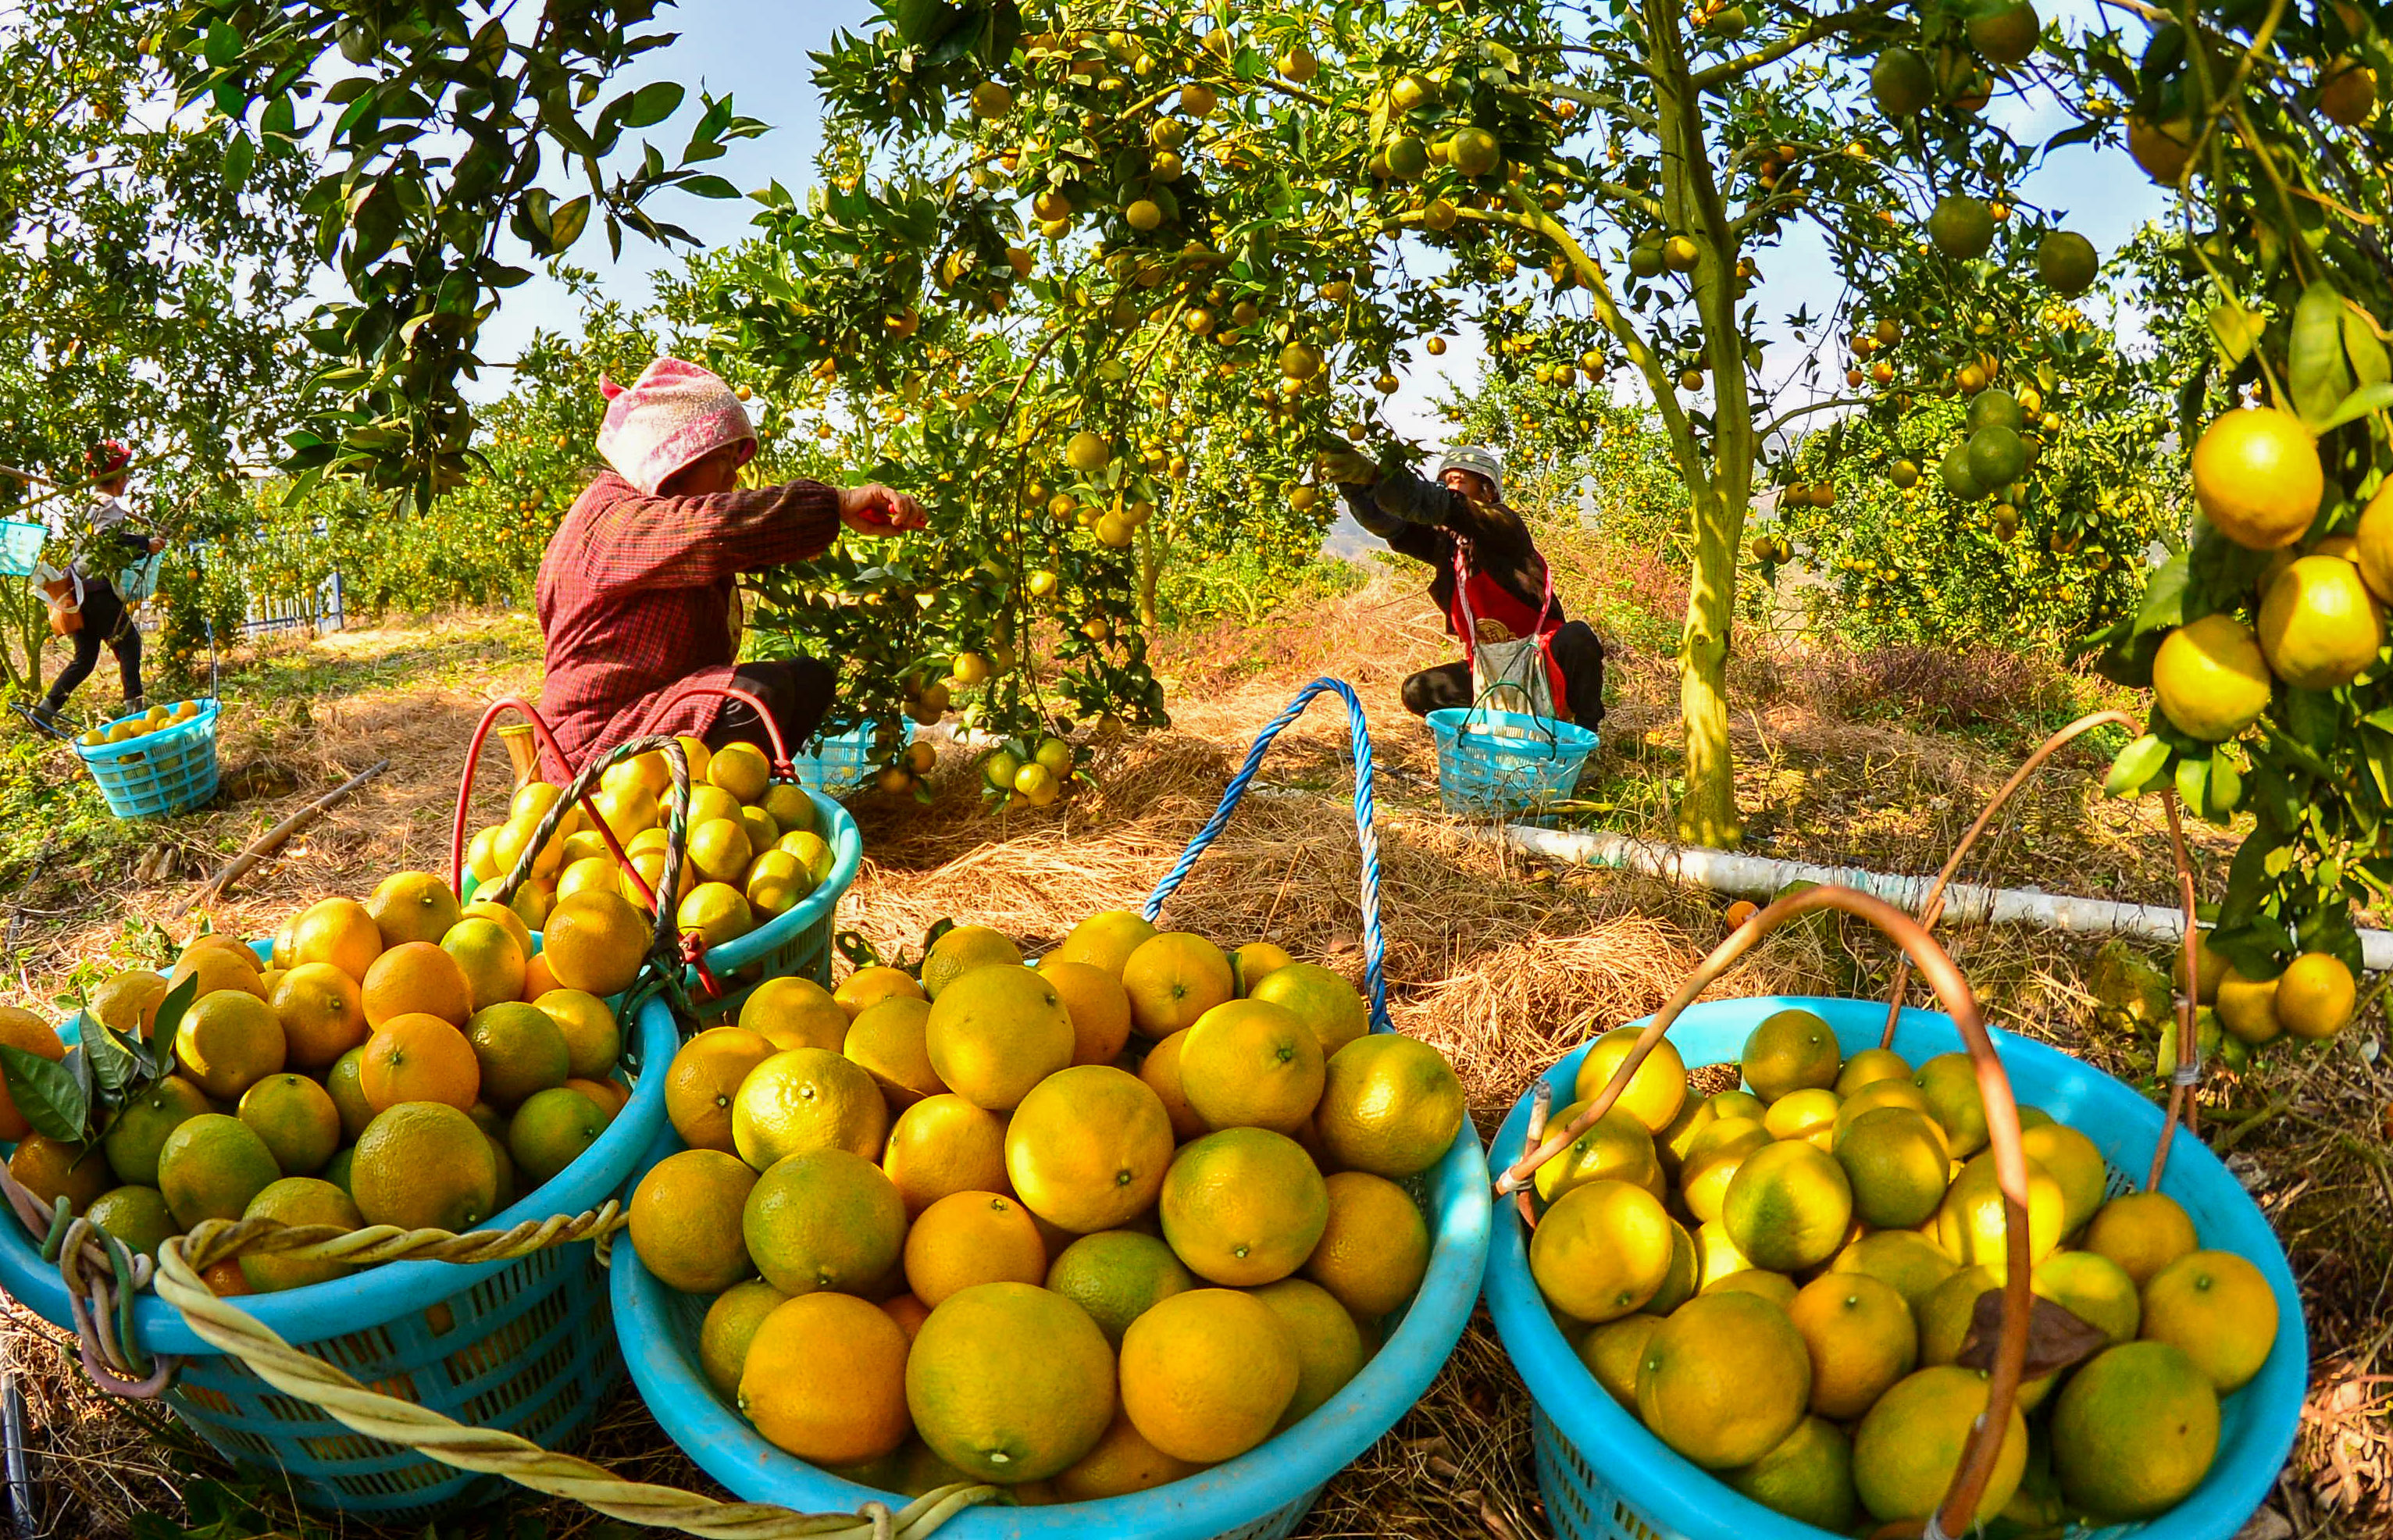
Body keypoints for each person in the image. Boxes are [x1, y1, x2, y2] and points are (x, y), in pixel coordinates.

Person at [536, 358, 929, 778]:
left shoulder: (648, 520)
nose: (731, 476)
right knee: (758, 694)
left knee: (809, 680)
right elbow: (715, 529)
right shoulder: (615, 520)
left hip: (649, 715)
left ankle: (736, 806)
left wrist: (833, 518)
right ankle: (700, 810)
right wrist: (835, 502)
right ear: (677, 457)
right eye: (722, 458)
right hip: (595, 752)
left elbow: (731, 537)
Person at [1333, 444, 1605, 727]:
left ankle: (1584, 734)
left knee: (1577, 637)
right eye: (1447, 481)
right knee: (1418, 691)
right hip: (1487, 671)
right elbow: (1393, 524)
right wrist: (1355, 485)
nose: (1453, 485)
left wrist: (1378, 475)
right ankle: (1489, 730)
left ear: (1488, 491)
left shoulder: (1503, 524)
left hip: (1543, 661)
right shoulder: (1447, 546)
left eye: (1462, 480)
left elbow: (1450, 507)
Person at [25, 440, 162, 730]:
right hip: (97, 590)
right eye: (126, 474)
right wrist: (144, 544)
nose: (128, 480)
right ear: (118, 477)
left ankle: (44, 711)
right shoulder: (109, 504)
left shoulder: (88, 505)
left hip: (78, 590)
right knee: (130, 643)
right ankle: (135, 715)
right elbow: (105, 542)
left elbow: (100, 539)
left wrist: (134, 538)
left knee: (85, 659)